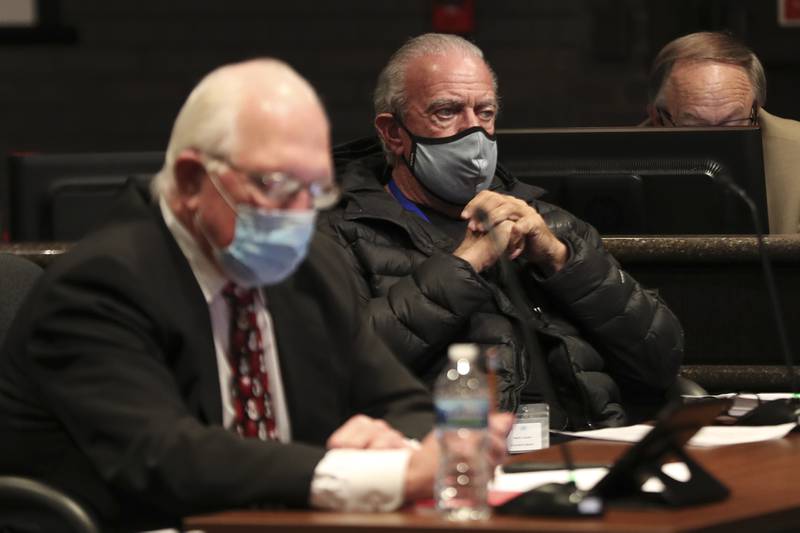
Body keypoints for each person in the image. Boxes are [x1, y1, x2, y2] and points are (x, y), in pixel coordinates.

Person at [0, 59, 512, 531]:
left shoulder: (309, 264)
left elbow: (396, 400)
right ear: (192, 179)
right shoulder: (102, 283)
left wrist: (424, 446)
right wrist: (383, 474)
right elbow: (166, 458)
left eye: (315, 190)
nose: (297, 213)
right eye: (276, 184)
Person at [319, 33, 684, 432]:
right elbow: (339, 367)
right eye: (447, 112)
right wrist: (465, 265)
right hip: (461, 457)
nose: (473, 131)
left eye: (485, 112)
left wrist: (563, 262)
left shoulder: (548, 222)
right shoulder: (341, 233)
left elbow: (661, 359)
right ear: (393, 132)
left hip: (592, 446)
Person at [644, 31, 800, 234]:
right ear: (658, 118)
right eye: (696, 126)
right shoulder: (622, 159)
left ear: (756, 108)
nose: (716, 140)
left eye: (733, 122)